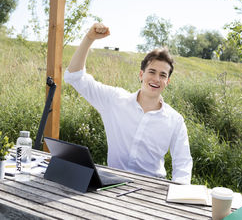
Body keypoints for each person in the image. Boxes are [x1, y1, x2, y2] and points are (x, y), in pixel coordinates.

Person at [64, 23, 193, 184]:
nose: (156, 79)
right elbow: (74, 76)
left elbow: (183, 165)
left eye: (162, 75)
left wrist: (176, 198)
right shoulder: (114, 100)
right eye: (152, 72)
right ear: (141, 74)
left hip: (152, 190)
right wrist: (89, 39)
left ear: (167, 81)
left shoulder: (175, 120)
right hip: (112, 185)